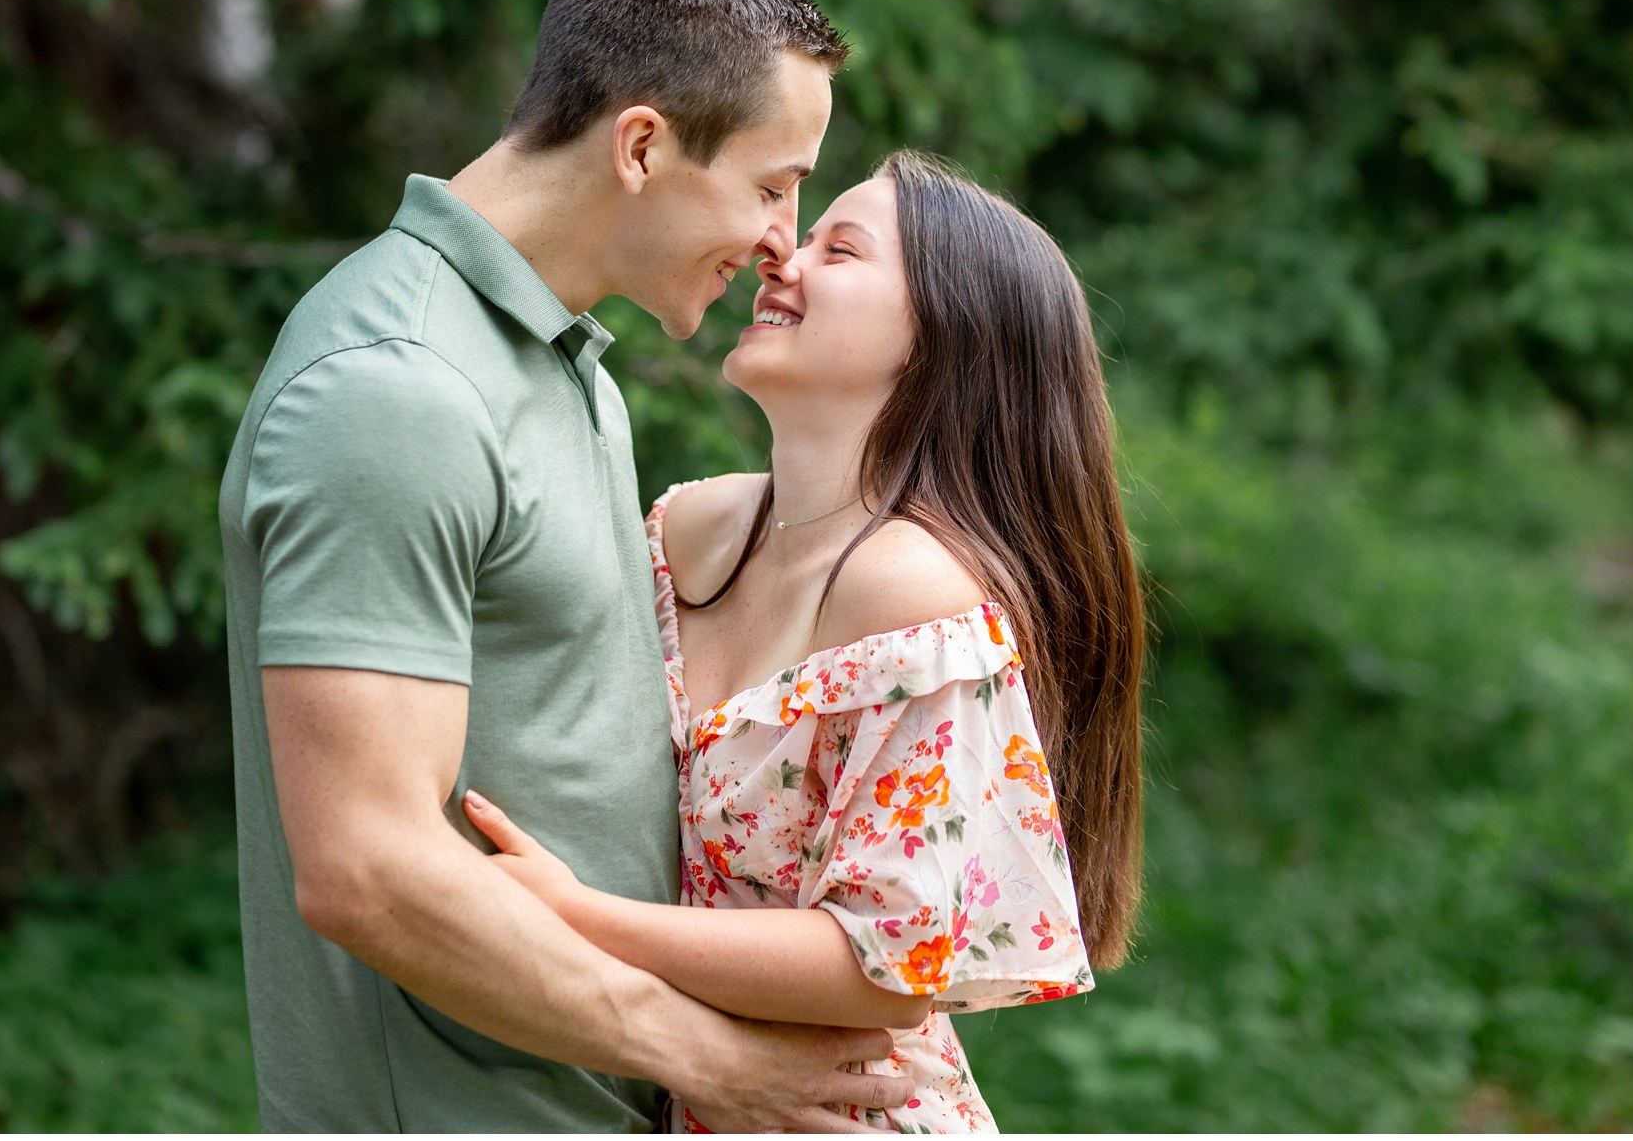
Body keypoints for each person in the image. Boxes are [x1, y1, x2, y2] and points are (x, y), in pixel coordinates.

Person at [218, 0, 921, 1131]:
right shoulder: (398, 389)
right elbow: (367, 868)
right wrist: (703, 1051)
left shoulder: (567, 368)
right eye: (768, 185)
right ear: (642, 145)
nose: (777, 242)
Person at [459, 150, 1150, 1131]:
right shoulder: (691, 529)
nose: (783, 252)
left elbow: (892, 963)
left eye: (842, 247)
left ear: (939, 342)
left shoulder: (913, 589)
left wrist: (572, 914)